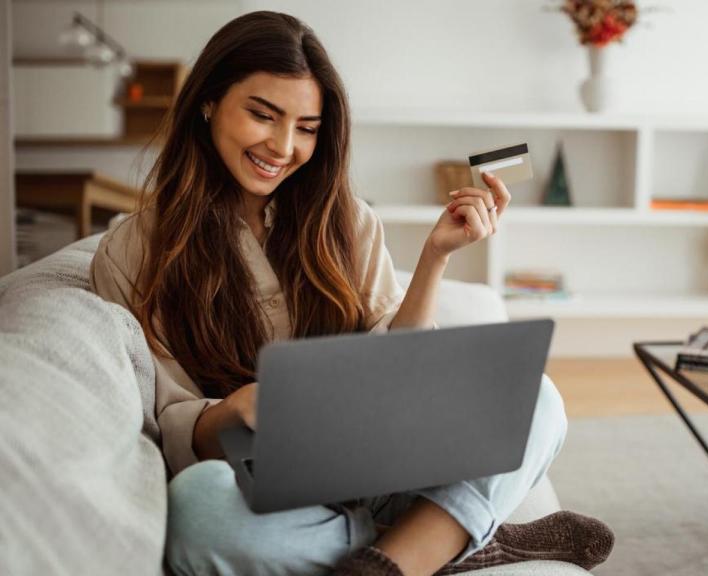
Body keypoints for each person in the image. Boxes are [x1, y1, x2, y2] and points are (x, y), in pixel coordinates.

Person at [89, 10, 613, 576]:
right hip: (268, 489)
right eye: (262, 115)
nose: (284, 146)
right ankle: (448, 540)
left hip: (390, 463)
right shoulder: (135, 250)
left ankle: (400, 554)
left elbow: (402, 363)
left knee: (534, 396)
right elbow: (164, 425)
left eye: (307, 128)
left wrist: (435, 255)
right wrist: (230, 412)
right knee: (200, 512)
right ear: (209, 102)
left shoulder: (347, 221)